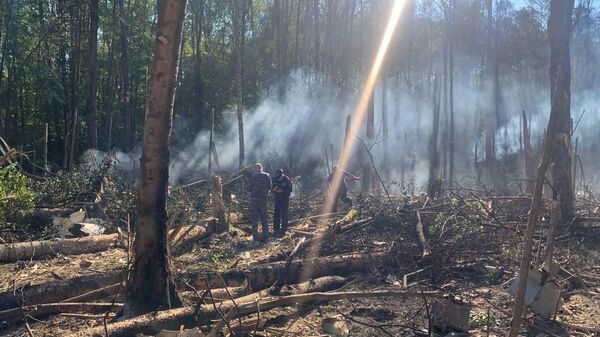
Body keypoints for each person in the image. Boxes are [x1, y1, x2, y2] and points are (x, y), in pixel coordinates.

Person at [248, 163, 272, 241]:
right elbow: (270, 187)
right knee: (264, 219)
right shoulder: (267, 175)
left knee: (254, 220)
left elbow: (249, 188)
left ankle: (255, 238)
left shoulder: (253, 176)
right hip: (263, 201)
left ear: (256, 168)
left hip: (254, 201)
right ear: (262, 168)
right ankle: (266, 237)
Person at [271, 169, 292, 236]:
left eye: (279, 177)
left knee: (284, 214)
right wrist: (273, 190)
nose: (278, 178)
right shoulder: (274, 179)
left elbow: (290, 189)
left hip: (285, 199)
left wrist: (282, 190)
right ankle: (276, 229)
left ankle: (284, 229)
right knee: (276, 214)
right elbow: (271, 187)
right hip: (277, 199)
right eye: (277, 177)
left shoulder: (286, 179)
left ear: (282, 174)